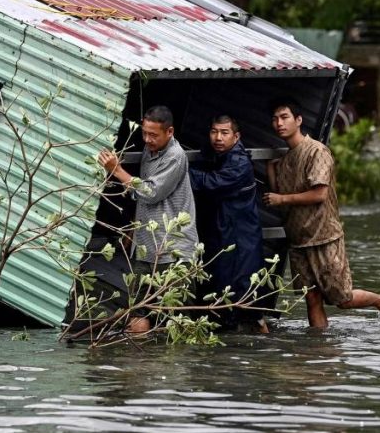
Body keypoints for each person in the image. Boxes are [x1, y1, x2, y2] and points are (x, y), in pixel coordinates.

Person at [263, 98, 380, 329]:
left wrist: (281, 198)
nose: (279, 123)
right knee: (311, 299)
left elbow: (318, 194)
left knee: (342, 299)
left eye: (285, 117)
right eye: (275, 119)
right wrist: (271, 171)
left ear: (298, 120)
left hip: (324, 236)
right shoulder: (286, 159)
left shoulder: (317, 151)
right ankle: (319, 351)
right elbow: (280, 198)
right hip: (298, 240)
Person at [98, 105, 198, 332]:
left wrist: (117, 170)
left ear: (170, 132)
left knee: (178, 319)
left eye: (153, 135)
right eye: (144, 133)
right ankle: (141, 366)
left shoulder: (175, 156)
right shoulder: (149, 151)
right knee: (138, 310)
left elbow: (150, 192)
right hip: (146, 247)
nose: (147, 139)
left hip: (174, 251)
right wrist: (135, 228)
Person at [189, 115, 269, 332]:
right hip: (225, 234)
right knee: (223, 289)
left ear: (236, 136)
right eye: (214, 132)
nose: (218, 137)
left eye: (224, 133)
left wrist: (180, 170)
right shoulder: (217, 155)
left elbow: (211, 183)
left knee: (244, 294)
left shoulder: (238, 162)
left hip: (240, 237)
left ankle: (257, 334)